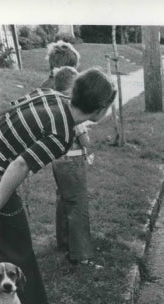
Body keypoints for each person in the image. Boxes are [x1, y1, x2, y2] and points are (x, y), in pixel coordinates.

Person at [0, 67, 116, 304]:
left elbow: (11, 110)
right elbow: (20, 165)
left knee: (16, 241)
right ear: (100, 109)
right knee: (15, 243)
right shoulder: (62, 134)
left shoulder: (53, 96)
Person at [47, 66, 102, 269]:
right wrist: (90, 146)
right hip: (73, 161)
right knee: (78, 205)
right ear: (72, 89)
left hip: (58, 160)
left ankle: (64, 242)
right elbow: (84, 139)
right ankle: (81, 255)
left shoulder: (54, 105)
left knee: (64, 200)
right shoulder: (71, 110)